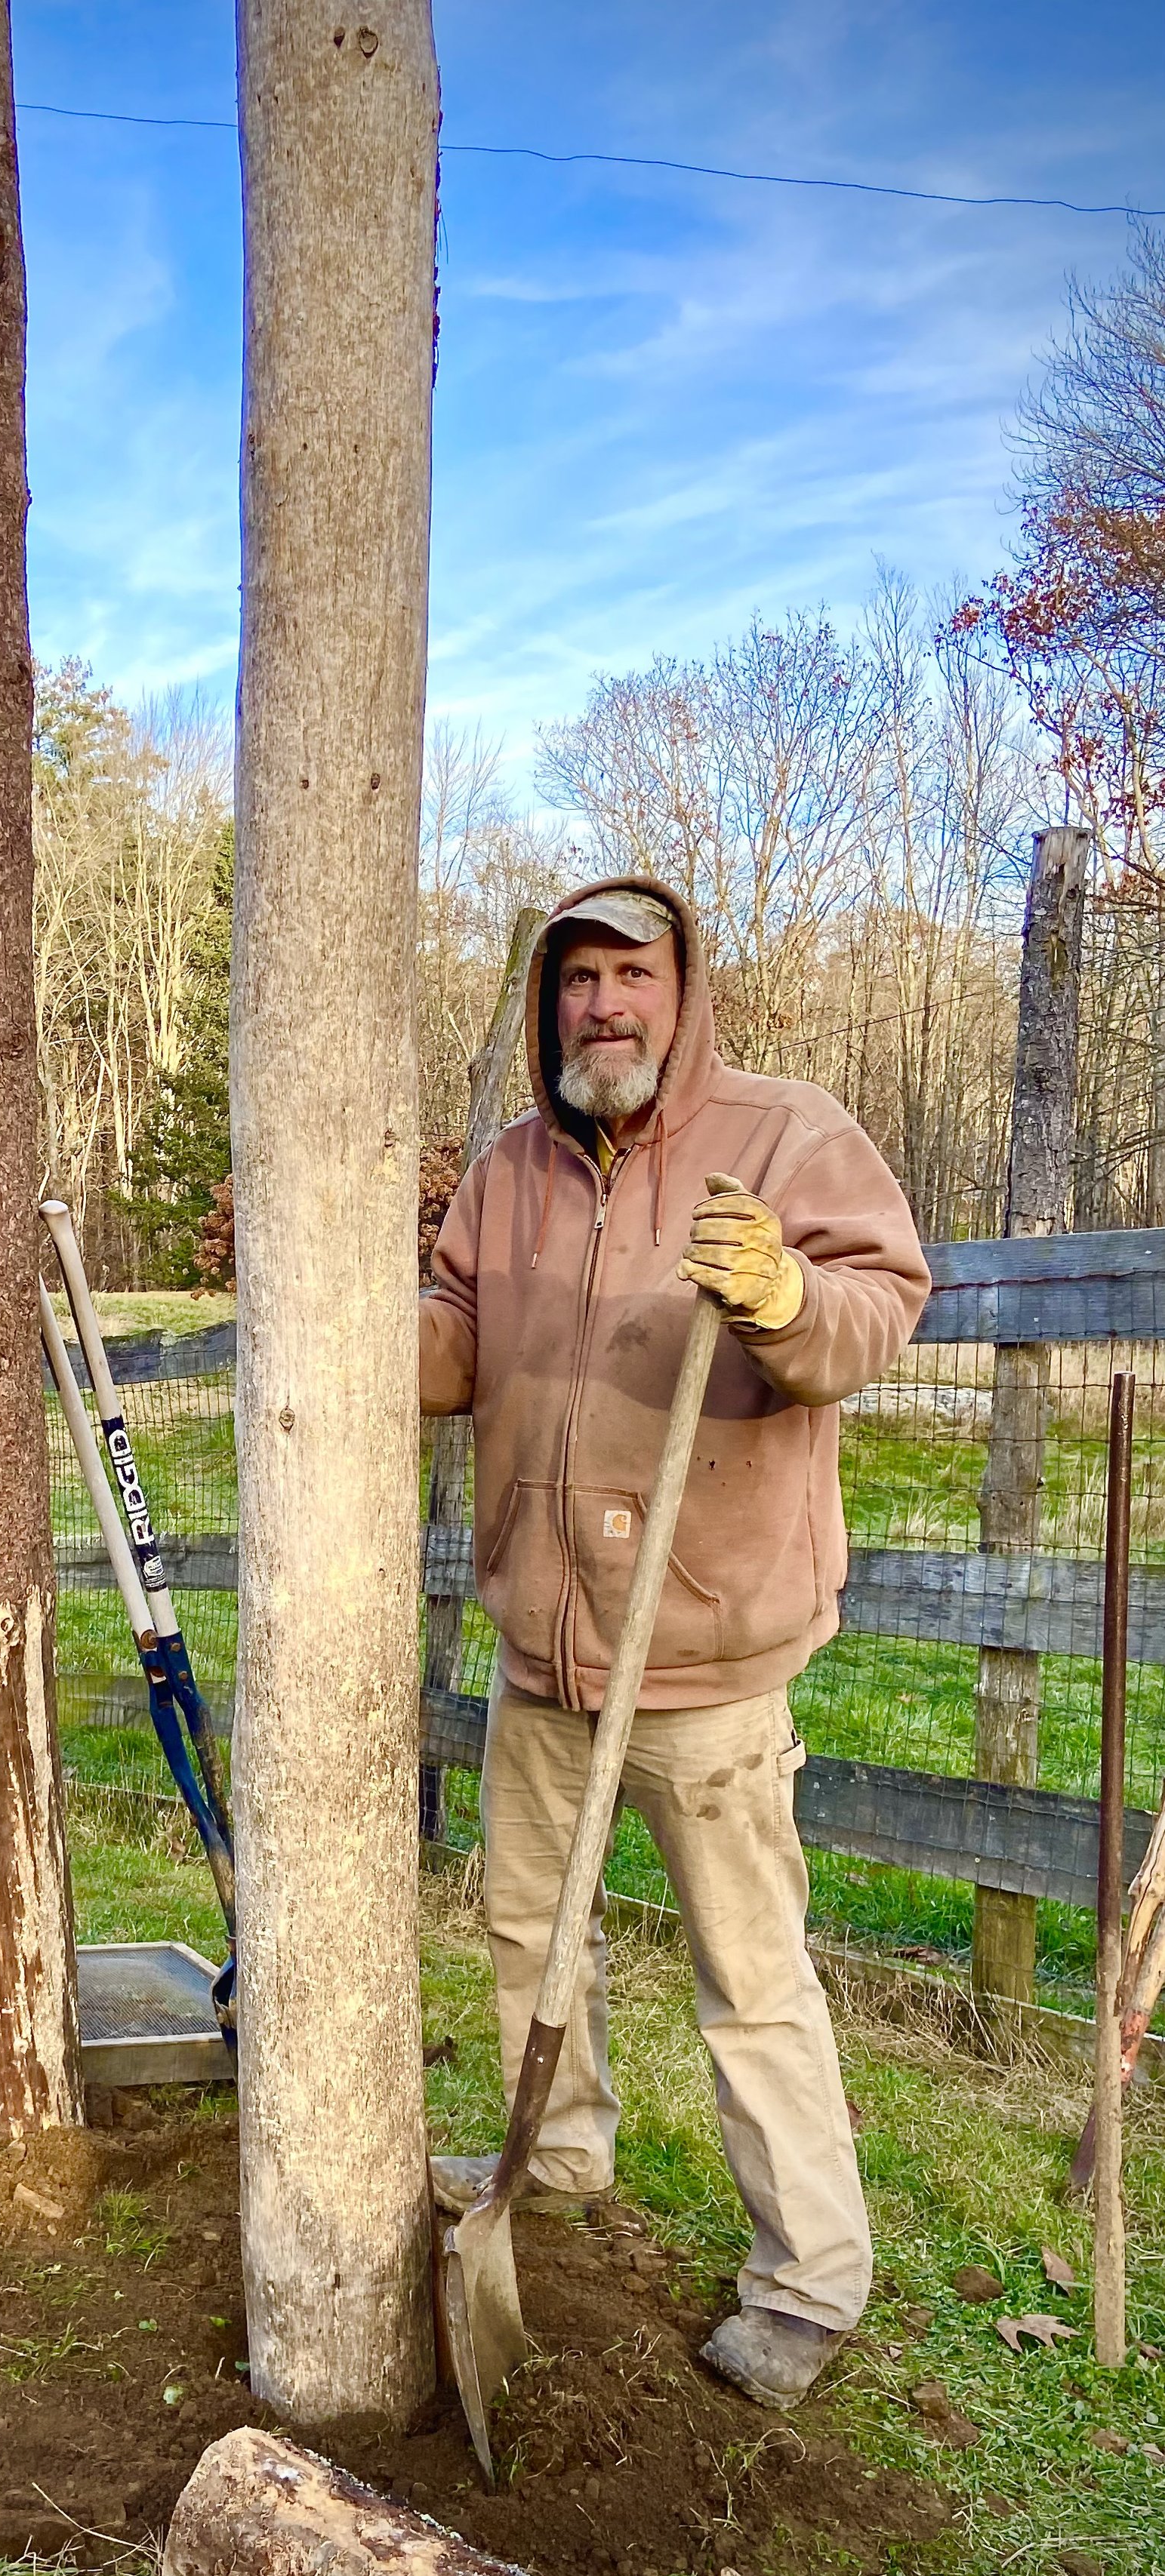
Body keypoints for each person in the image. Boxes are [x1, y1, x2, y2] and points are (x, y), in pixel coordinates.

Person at [419, 876, 930, 2411]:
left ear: (679, 989)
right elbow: (450, 1333)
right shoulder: (507, 1174)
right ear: (544, 1006)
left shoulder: (783, 1135)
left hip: (703, 1660)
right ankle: (554, 2148)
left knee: (747, 1974)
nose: (601, 1006)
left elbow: (876, 1303)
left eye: (627, 976)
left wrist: (781, 1290)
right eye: (573, 982)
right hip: (541, 1650)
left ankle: (806, 2276)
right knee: (524, 1933)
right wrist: (338, 1317)